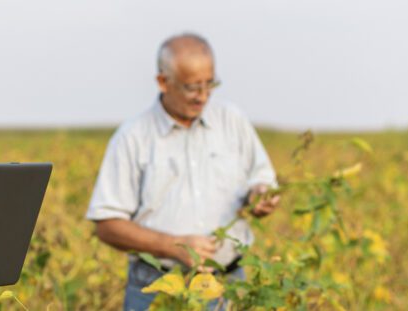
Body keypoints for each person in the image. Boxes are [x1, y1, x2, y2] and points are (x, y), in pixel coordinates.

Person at [84, 33, 281, 311]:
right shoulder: (133, 137)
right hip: (156, 287)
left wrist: (261, 195)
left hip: (229, 283)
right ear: (163, 82)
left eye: (209, 84)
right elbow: (106, 224)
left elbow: (261, 180)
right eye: (191, 88)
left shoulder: (231, 120)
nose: (203, 97)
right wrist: (172, 245)